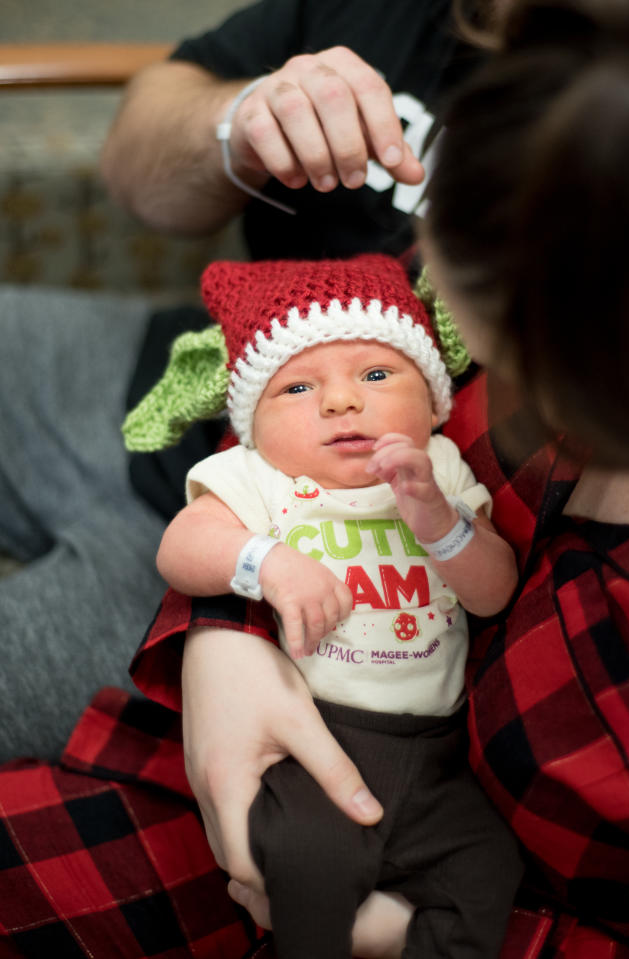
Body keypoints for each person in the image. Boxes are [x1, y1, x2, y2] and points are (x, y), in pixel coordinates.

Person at [0, 2, 629, 958]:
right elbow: (300, 402)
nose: (419, 274)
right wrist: (227, 630)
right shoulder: (488, 351)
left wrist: (391, 931)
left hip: (314, 816)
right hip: (215, 515)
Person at [0, 0, 478, 760]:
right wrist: (238, 118)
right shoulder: (383, 10)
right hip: (156, 374)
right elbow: (135, 157)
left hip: (255, 588)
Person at [135, 253, 521, 958]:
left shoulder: (438, 467)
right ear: (253, 424)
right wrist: (267, 561)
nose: (341, 401)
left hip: (439, 756)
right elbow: (181, 547)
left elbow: (494, 589)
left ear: (435, 403)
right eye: (298, 387)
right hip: (314, 739)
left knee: (491, 873)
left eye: (376, 374)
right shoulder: (261, 475)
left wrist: (440, 522)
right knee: (309, 862)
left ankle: (408, 942)